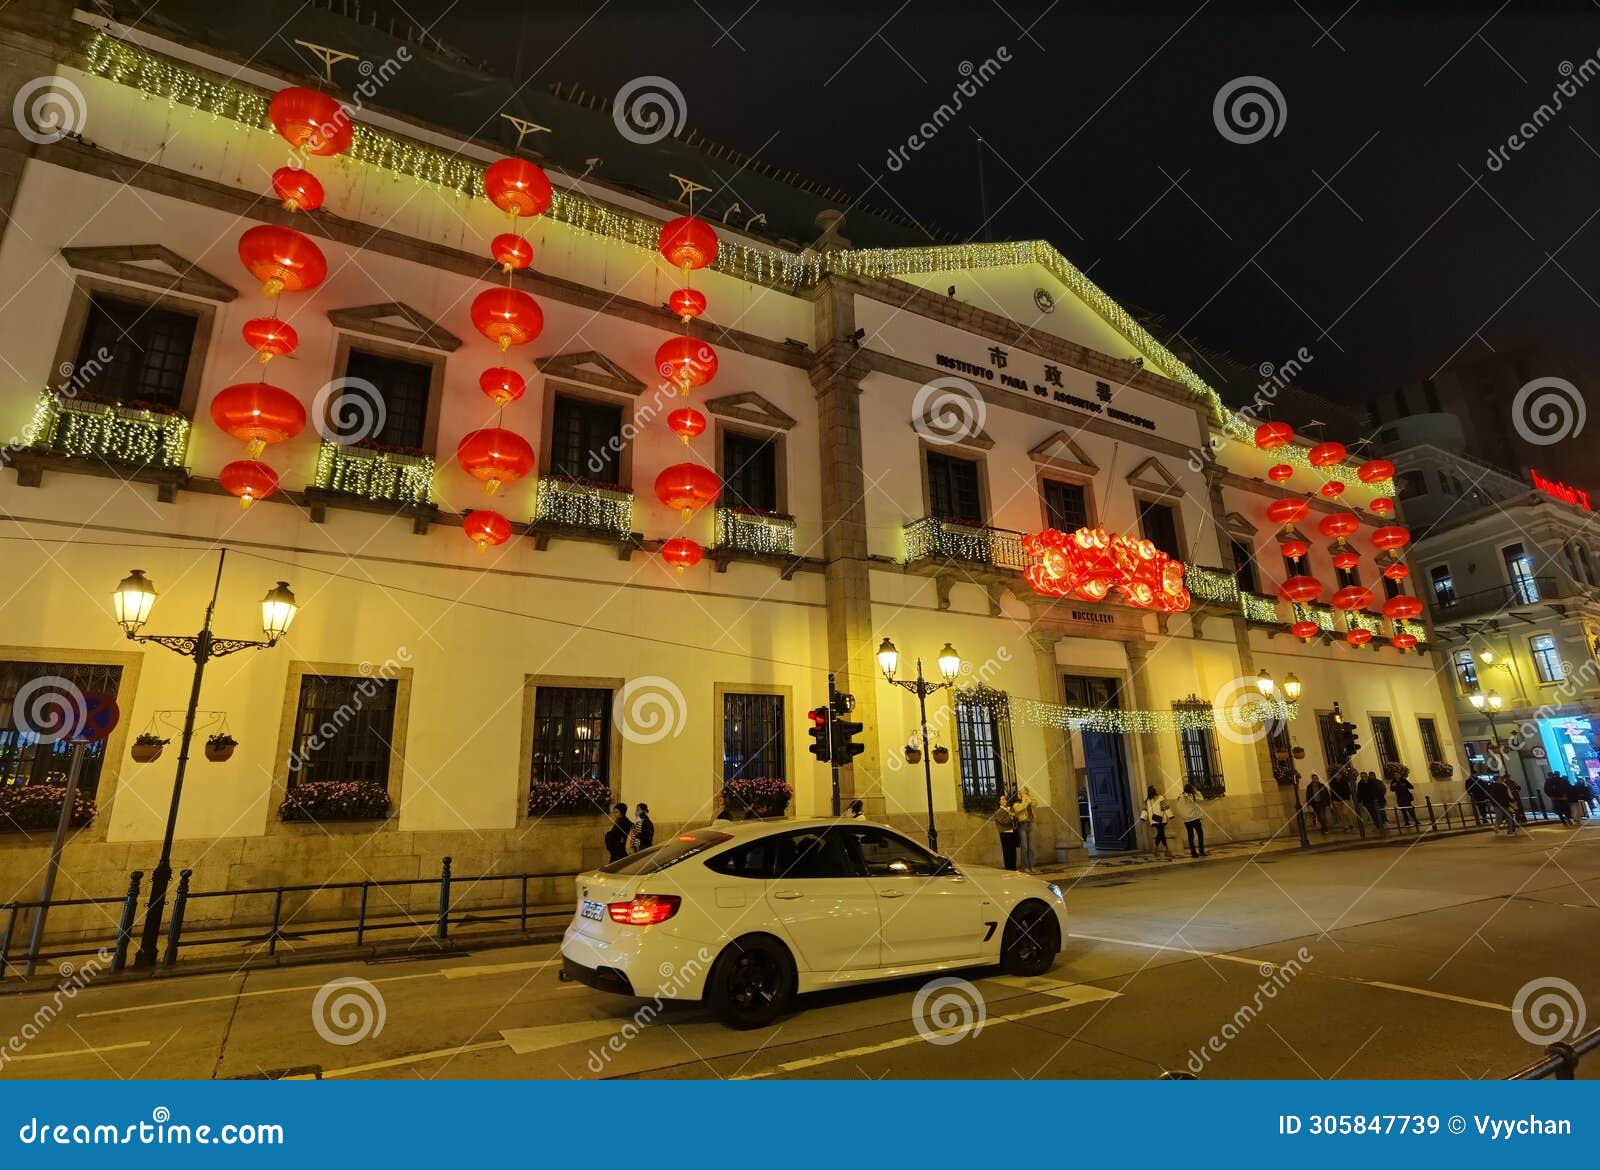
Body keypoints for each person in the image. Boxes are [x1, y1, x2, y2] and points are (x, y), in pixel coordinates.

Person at [1139, 784, 1173, 858]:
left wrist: (1143, 818)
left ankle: (1159, 849)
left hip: (1154, 820)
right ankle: (1164, 849)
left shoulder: (1147, 801)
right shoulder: (1160, 798)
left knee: (1160, 833)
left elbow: (1145, 810)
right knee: (1161, 833)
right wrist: (1170, 815)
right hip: (1161, 819)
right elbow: (1165, 807)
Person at [1173, 783, 1206, 857]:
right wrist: (1196, 791)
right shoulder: (1191, 796)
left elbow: (1178, 807)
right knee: (1200, 834)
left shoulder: (1180, 797)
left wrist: (1184, 816)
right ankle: (1201, 851)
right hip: (1194, 818)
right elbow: (1201, 798)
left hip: (1186, 820)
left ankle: (1193, 852)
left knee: (1190, 836)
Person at [1010, 786, 1038, 872]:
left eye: (1022, 793)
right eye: (1021, 793)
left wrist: (1028, 796)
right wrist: (1025, 799)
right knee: (1025, 847)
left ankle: (1032, 866)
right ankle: (1024, 867)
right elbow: (1022, 807)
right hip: (1022, 825)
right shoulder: (1016, 804)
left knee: (1031, 847)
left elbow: (1035, 803)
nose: (1022, 795)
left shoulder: (1028, 801)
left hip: (1030, 824)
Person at [1356, 772, 1388, 837]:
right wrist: (1359, 801)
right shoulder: (1360, 784)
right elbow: (1359, 793)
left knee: (1378, 812)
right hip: (1367, 801)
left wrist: (1377, 798)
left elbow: (1377, 791)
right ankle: (1377, 825)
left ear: (1367, 776)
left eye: (1365, 776)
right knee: (1372, 813)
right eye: (1362, 777)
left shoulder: (1372, 782)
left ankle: (1382, 824)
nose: (1363, 778)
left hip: (1375, 800)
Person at [995, 795, 1018, 871]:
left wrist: (1014, 816)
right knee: (1007, 851)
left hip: (1012, 831)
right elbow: (1003, 821)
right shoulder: (999, 811)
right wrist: (1011, 817)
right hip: (1005, 833)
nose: (1005, 801)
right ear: (999, 802)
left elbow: (1016, 817)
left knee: (1013, 850)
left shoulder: (1010, 809)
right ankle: (1008, 868)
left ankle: (1013, 867)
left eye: (1005, 799)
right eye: (1003, 799)